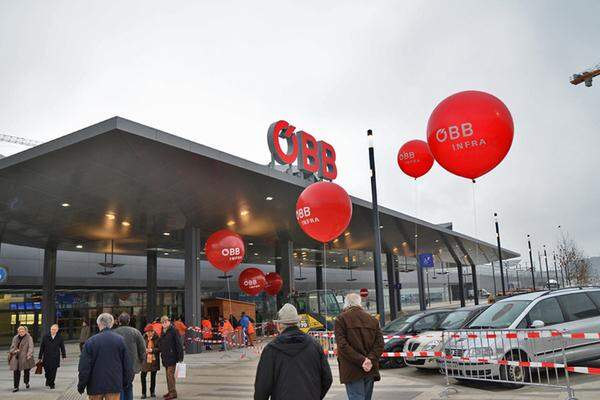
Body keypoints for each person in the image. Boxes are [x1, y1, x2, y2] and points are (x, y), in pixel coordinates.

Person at [254, 304, 332, 400]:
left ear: (278, 325)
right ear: (297, 323)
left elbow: (262, 387)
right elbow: (327, 378)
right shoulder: (315, 345)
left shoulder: (271, 349)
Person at [334, 293, 384, 400]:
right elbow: (380, 344)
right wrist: (369, 360)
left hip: (352, 369)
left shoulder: (341, 320)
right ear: (360, 303)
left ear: (346, 304)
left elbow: (342, 345)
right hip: (369, 368)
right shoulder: (373, 320)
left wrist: (361, 360)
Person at [78, 313, 134, 400]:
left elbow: (84, 367)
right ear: (111, 324)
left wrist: (81, 385)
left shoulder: (90, 342)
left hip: (95, 386)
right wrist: (125, 382)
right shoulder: (120, 340)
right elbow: (127, 365)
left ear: (98, 324)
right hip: (114, 385)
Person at [114, 313, 146, 400]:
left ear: (119, 322)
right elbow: (142, 349)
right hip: (132, 366)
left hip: (118, 366)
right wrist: (142, 362)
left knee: (120, 386)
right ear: (129, 321)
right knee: (128, 385)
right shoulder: (136, 332)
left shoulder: (114, 333)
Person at [158, 315, 183, 400]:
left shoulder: (174, 331)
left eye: (165, 322)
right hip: (165, 357)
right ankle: (170, 391)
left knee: (170, 375)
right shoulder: (163, 331)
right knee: (168, 376)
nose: (164, 323)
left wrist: (180, 357)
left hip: (172, 356)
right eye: (162, 322)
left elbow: (179, 344)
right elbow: (161, 342)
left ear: (169, 322)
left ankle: (173, 393)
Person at [38, 323, 66, 389]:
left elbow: (62, 347)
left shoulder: (60, 337)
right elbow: (42, 347)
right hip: (46, 357)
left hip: (55, 357)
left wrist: (63, 355)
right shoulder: (45, 336)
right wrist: (40, 357)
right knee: (47, 371)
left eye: (54, 329)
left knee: (53, 371)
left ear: (57, 330)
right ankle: (48, 379)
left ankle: (52, 384)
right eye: (52, 329)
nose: (52, 331)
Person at [9, 325, 35, 393]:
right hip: (16, 357)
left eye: (22, 331)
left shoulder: (29, 337)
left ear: (25, 331)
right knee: (16, 372)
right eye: (20, 331)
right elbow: (12, 347)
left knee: (26, 371)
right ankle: (16, 387)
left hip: (26, 357)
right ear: (18, 331)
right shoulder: (15, 338)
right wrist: (14, 351)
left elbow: (31, 347)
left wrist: (29, 354)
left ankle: (26, 382)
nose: (21, 332)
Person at [141, 326, 160, 399]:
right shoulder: (143, 337)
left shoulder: (157, 338)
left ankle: (152, 392)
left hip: (154, 360)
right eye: (147, 332)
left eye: (149, 332)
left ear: (153, 331)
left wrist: (152, 350)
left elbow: (159, 348)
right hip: (145, 359)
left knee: (153, 376)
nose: (148, 334)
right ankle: (143, 393)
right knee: (143, 375)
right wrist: (144, 350)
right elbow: (140, 346)